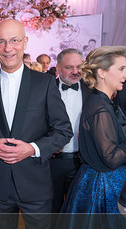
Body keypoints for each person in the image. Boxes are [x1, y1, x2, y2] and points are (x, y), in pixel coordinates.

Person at [0, 19, 73, 229]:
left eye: (14, 40)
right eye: (1, 42)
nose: (7, 48)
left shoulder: (45, 83)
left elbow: (64, 131)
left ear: (25, 42)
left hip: (36, 184)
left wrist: (32, 149)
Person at [57, 46, 126, 228]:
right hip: (103, 186)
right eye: (121, 69)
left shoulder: (101, 101)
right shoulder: (99, 107)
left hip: (101, 181)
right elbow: (111, 158)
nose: (124, 75)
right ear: (102, 73)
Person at [50, 49, 91, 215]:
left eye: (79, 66)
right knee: (52, 209)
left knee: (79, 210)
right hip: (53, 163)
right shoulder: (46, 89)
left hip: (82, 162)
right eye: (69, 67)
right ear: (58, 68)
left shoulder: (92, 90)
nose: (75, 72)